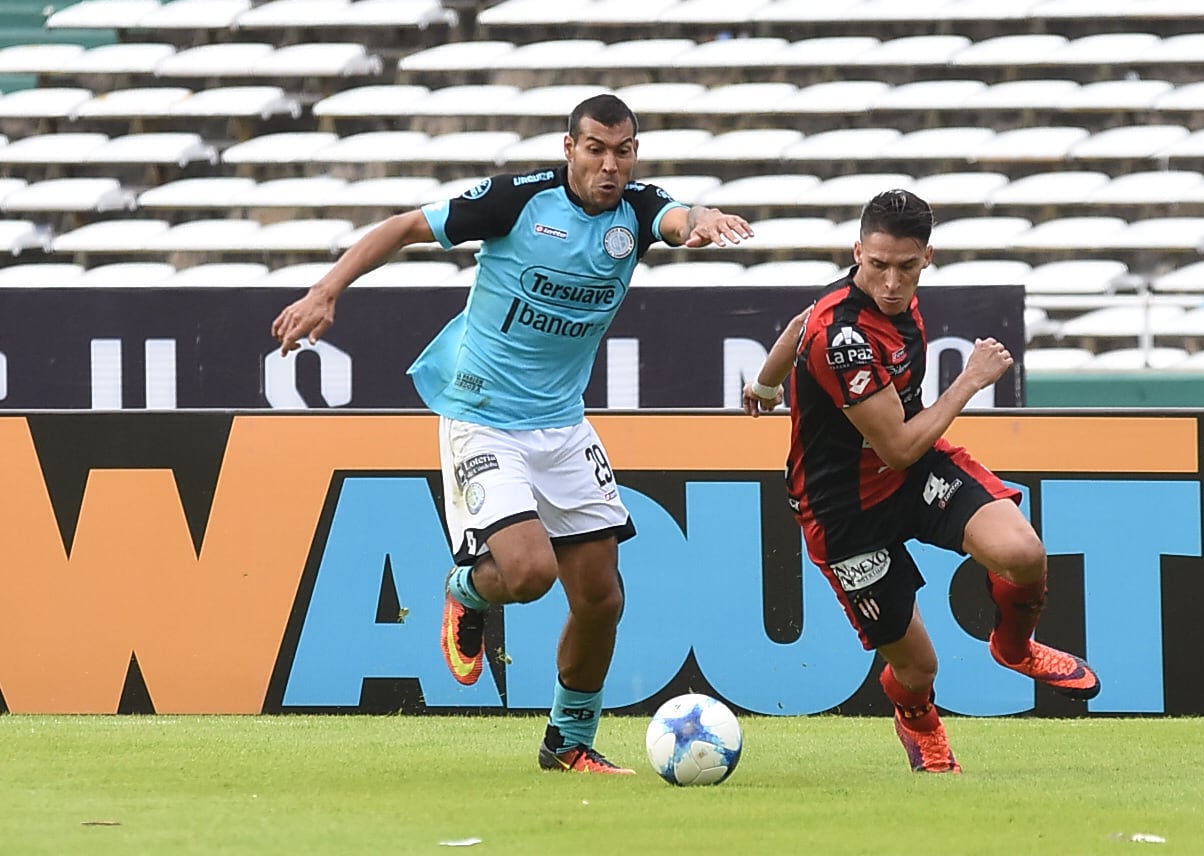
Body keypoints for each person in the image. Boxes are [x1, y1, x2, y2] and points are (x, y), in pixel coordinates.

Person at [272, 94, 753, 774]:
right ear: (569, 149)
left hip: (561, 424)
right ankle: (467, 591)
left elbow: (677, 219)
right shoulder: (515, 201)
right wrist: (328, 290)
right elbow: (407, 225)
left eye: (622, 152)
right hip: (482, 414)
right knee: (528, 574)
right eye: (595, 149)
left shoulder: (637, 211)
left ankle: (567, 743)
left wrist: (702, 221)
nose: (609, 166)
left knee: (601, 597)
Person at [742, 188, 1099, 773]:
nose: (889, 281)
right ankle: (919, 723)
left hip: (912, 476)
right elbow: (900, 444)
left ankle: (1013, 647)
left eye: (905, 267)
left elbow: (797, 322)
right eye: (877, 266)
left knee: (1024, 554)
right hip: (845, 510)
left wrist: (764, 385)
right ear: (858, 252)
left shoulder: (863, 296)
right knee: (918, 669)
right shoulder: (844, 339)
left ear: (926, 259)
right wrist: (970, 379)